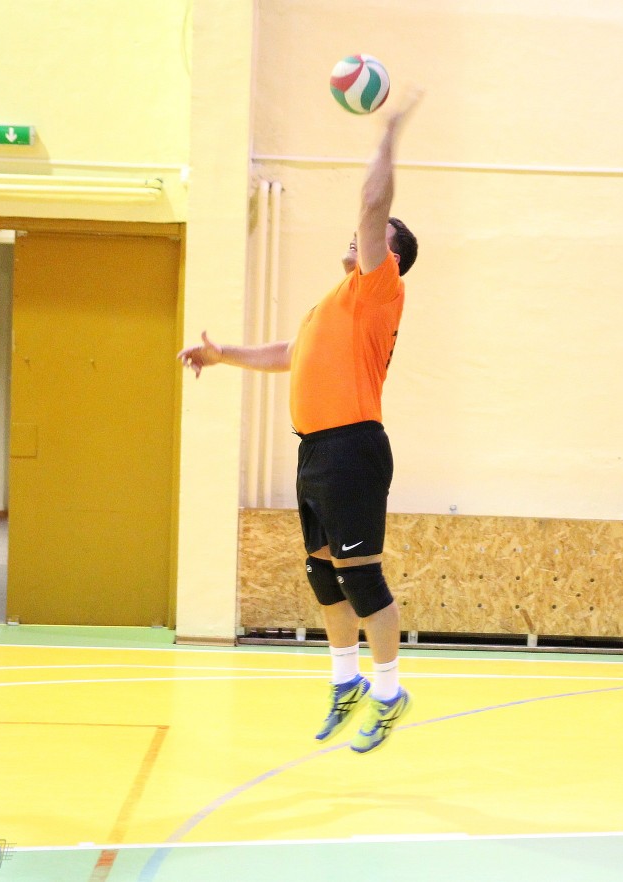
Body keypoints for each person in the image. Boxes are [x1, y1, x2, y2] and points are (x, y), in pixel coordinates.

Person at [178, 91, 422, 754]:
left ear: (391, 256)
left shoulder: (378, 290)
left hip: (352, 448)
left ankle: (390, 693)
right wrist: (223, 355)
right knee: (323, 574)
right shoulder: (332, 303)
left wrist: (387, 135)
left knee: (361, 577)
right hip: (315, 451)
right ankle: (346, 681)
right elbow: (290, 353)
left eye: (377, 237)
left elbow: (372, 206)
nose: (362, 236)